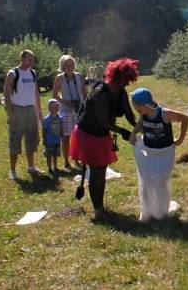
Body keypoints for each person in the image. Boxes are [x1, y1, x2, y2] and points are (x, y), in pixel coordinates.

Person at [70, 58, 138, 217]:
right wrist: (122, 132)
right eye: (127, 80)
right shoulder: (100, 92)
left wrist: (139, 127)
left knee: (101, 170)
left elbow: (128, 113)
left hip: (101, 134)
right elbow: (103, 121)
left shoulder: (121, 92)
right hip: (88, 134)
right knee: (96, 171)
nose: (128, 83)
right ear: (118, 77)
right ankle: (98, 210)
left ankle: (100, 206)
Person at [128, 87, 188, 221]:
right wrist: (133, 133)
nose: (135, 108)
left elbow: (184, 118)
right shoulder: (143, 113)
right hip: (149, 152)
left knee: (160, 181)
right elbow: (140, 123)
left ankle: (161, 209)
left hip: (164, 154)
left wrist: (180, 139)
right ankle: (148, 211)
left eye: (136, 105)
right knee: (146, 181)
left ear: (143, 105)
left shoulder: (164, 113)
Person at [3, 49, 43, 180]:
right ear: (22, 59)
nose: (32, 62)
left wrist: (39, 111)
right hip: (17, 110)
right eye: (29, 59)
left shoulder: (32, 73)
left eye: (33, 59)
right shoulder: (13, 73)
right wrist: (11, 113)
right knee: (15, 140)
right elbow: (7, 94)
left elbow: (36, 93)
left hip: (31, 110)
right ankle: (13, 171)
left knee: (32, 139)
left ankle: (31, 166)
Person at [52, 55, 87, 171]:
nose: (70, 66)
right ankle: (66, 162)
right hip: (66, 111)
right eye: (67, 64)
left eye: (72, 64)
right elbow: (54, 95)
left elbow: (84, 93)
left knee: (80, 137)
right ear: (63, 66)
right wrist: (65, 102)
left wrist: (85, 105)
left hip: (79, 110)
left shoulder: (80, 76)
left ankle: (78, 159)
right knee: (66, 137)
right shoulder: (60, 78)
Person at [42, 99, 64, 179]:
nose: (57, 108)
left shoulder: (60, 118)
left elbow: (61, 128)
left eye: (58, 107)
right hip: (49, 141)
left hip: (57, 140)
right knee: (49, 155)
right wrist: (44, 139)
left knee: (55, 154)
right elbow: (44, 130)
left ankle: (55, 166)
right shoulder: (47, 119)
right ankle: (49, 167)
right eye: (55, 107)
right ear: (50, 108)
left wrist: (62, 135)